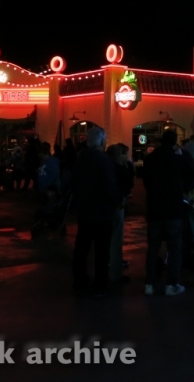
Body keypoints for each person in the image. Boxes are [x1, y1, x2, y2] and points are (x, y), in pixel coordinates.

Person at [142, 128, 194, 297]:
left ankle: (150, 283)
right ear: (174, 142)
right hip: (173, 208)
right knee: (174, 248)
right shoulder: (178, 159)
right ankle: (171, 283)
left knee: (153, 248)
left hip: (154, 209)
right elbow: (192, 174)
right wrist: (185, 189)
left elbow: (146, 182)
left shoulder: (150, 160)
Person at [71, 127, 120, 298]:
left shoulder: (80, 159)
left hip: (85, 210)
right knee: (101, 250)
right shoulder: (104, 162)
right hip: (102, 211)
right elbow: (109, 186)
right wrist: (117, 201)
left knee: (82, 248)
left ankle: (79, 281)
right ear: (102, 142)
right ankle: (100, 285)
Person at [106, 143, 134, 286]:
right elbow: (129, 182)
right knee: (116, 237)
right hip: (116, 205)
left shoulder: (106, 166)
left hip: (104, 206)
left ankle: (106, 266)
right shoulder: (119, 168)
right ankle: (115, 273)